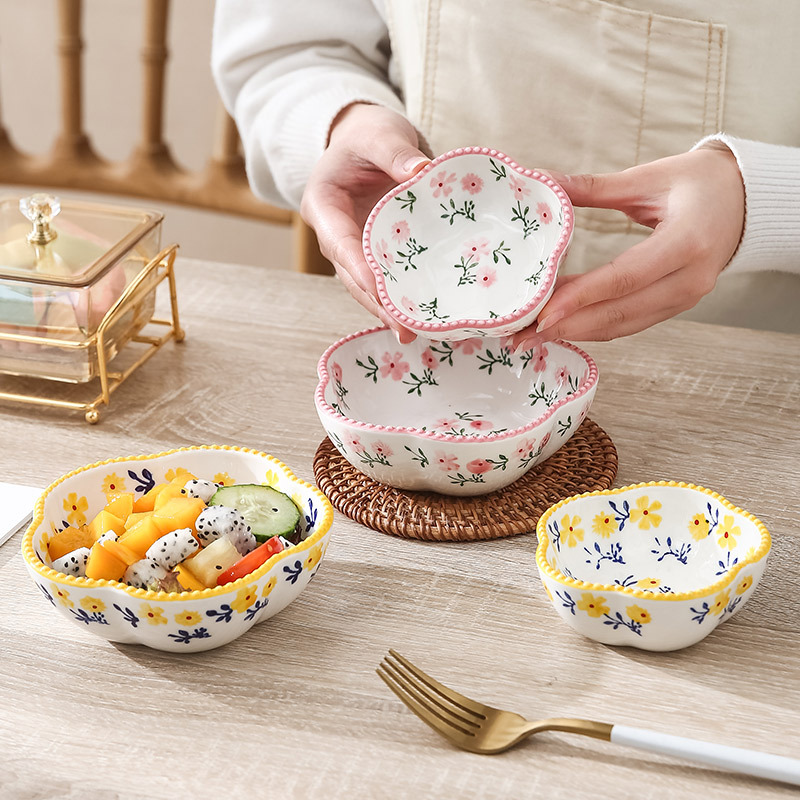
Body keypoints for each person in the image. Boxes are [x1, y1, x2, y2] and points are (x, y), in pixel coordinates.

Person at [211, 0, 800, 345]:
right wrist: (341, 118)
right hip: (420, 351)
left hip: (747, 357)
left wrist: (763, 199)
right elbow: (287, 49)